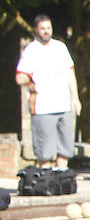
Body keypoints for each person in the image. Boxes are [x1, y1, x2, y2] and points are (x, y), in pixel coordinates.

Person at [14, 14, 81, 170]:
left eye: (48, 28)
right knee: (45, 153)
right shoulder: (31, 50)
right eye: (42, 28)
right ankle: (45, 183)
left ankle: (61, 180)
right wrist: (35, 76)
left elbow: (70, 74)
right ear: (36, 30)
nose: (46, 31)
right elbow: (20, 77)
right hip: (42, 107)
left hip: (63, 105)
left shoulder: (60, 47)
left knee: (65, 149)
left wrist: (75, 98)